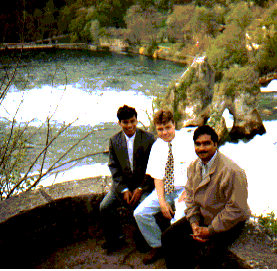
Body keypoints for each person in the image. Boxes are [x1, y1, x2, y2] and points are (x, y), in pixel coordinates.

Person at [161, 125, 251, 269]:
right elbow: (190, 197)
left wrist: (210, 230)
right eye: (198, 144)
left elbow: (236, 209)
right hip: (204, 216)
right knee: (168, 238)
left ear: (216, 144)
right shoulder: (194, 166)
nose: (201, 148)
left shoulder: (233, 171)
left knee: (207, 258)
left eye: (206, 143)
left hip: (228, 222)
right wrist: (194, 223)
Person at [133, 109, 194, 265]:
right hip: (166, 190)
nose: (165, 132)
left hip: (185, 189)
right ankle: (157, 245)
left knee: (177, 221)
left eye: (168, 127)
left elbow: (198, 170)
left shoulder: (187, 141)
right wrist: (162, 202)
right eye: (160, 129)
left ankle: (177, 254)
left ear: (174, 124)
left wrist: (188, 191)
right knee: (140, 213)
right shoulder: (157, 146)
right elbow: (158, 177)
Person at [99, 105, 155, 253]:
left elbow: (153, 167)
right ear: (119, 123)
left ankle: (144, 241)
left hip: (143, 186)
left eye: (132, 121)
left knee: (142, 208)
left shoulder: (149, 138)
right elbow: (114, 167)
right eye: (125, 122)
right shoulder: (114, 141)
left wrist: (141, 188)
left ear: (137, 120)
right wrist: (123, 189)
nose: (130, 125)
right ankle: (116, 238)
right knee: (105, 207)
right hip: (122, 187)